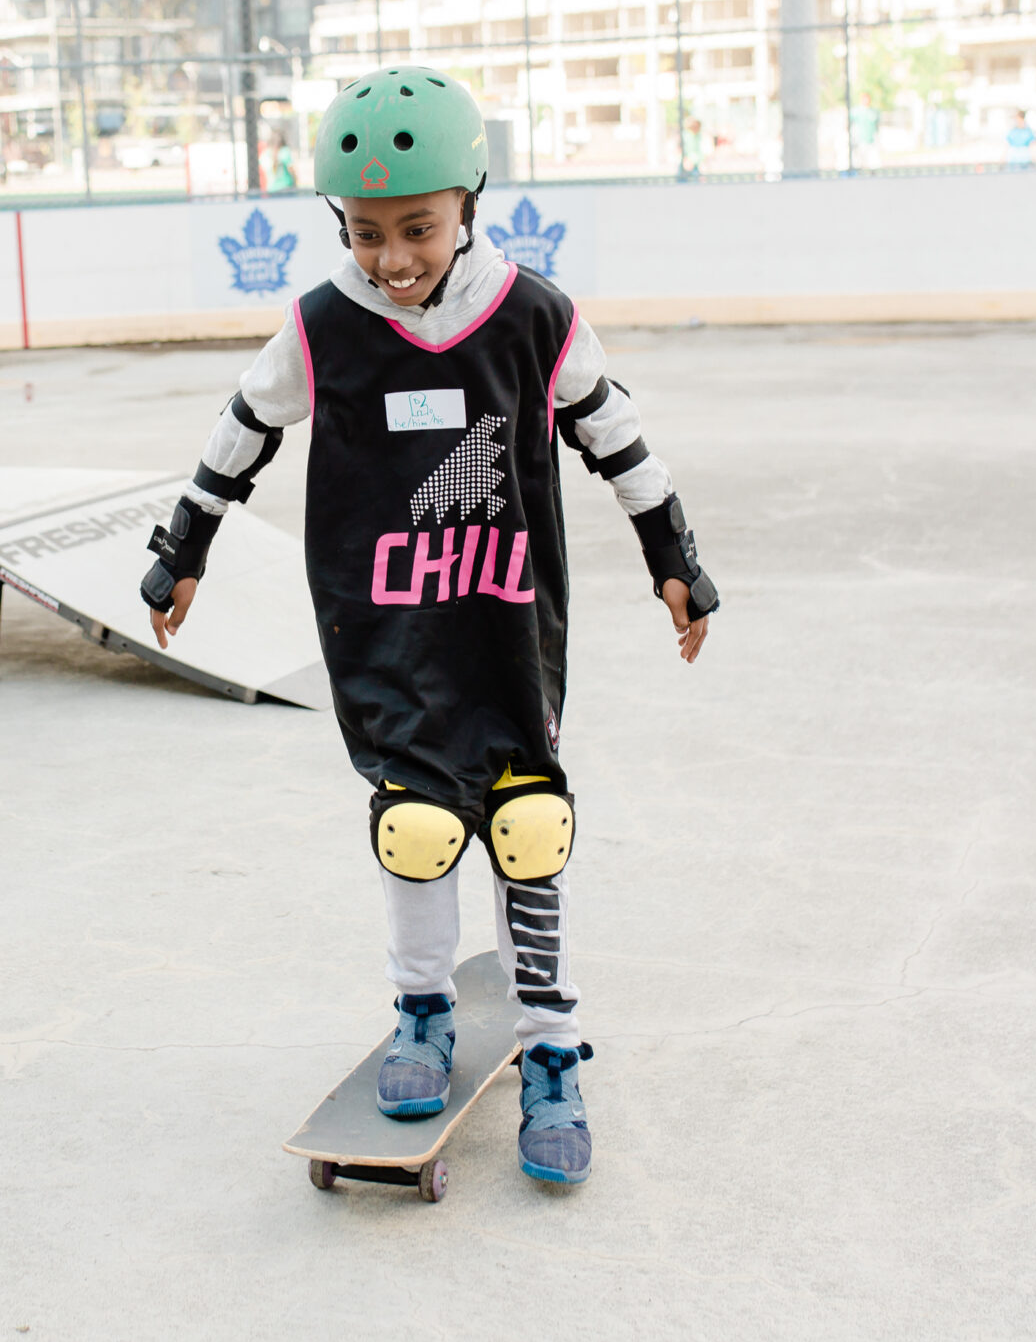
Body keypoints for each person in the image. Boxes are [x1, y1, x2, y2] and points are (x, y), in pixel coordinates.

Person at [139, 66, 719, 1186]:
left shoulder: (534, 317)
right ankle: (422, 1011)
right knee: (416, 826)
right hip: (387, 631)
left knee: (529, 823)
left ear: (468, 205)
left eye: (417, 227)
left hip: (507, 625)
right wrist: (184, 547)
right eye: (366, 233)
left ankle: (551, 1047)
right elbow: (244, 425)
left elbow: (617, 436)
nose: (393, 258)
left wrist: (673, 558)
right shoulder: (325, 326)